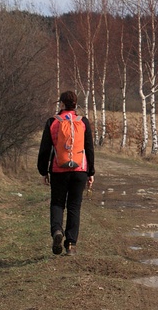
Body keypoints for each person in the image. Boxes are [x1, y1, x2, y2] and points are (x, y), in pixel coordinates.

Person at [37, 90, 95, 256]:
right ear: (75, 104)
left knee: (57, 203)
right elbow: (89, 148)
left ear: (61, 104)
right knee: (74, 206)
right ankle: (71, 244)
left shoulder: (53, 122)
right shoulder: (83, 122)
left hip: (58, 169)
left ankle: (57, 231)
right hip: (80, 170)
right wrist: (91, 171)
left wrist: (43, 171)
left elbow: (45, 149)